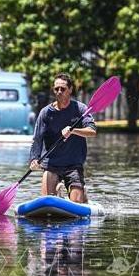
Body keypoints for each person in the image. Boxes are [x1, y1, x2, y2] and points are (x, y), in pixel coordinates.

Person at [29, 73, 97, 203]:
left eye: (63, 89)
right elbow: (37, 139)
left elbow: (92, 131)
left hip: (73, 165)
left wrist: (73, 130)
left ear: (70, 89)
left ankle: (81, 194)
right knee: (46, 201)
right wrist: (34, 159)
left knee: (77, 203)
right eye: (56, 89)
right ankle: (57, 194)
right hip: (51, 165)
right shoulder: (45, 113)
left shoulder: (81, 109)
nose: (59, 92)